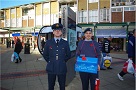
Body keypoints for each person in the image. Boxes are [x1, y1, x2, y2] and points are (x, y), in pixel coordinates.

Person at [43, 23, 71, 90]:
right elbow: (45, 54)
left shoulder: (65, 43)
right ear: (53, 32)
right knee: (51, 86)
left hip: (62, 67)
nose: (57, 31)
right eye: (55, 30)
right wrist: (50, 61)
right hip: (51, 68)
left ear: (61, 32)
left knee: (62, 86)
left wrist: (63, 61)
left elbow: (68, 55)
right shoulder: (48, 42)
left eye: (59, 30)